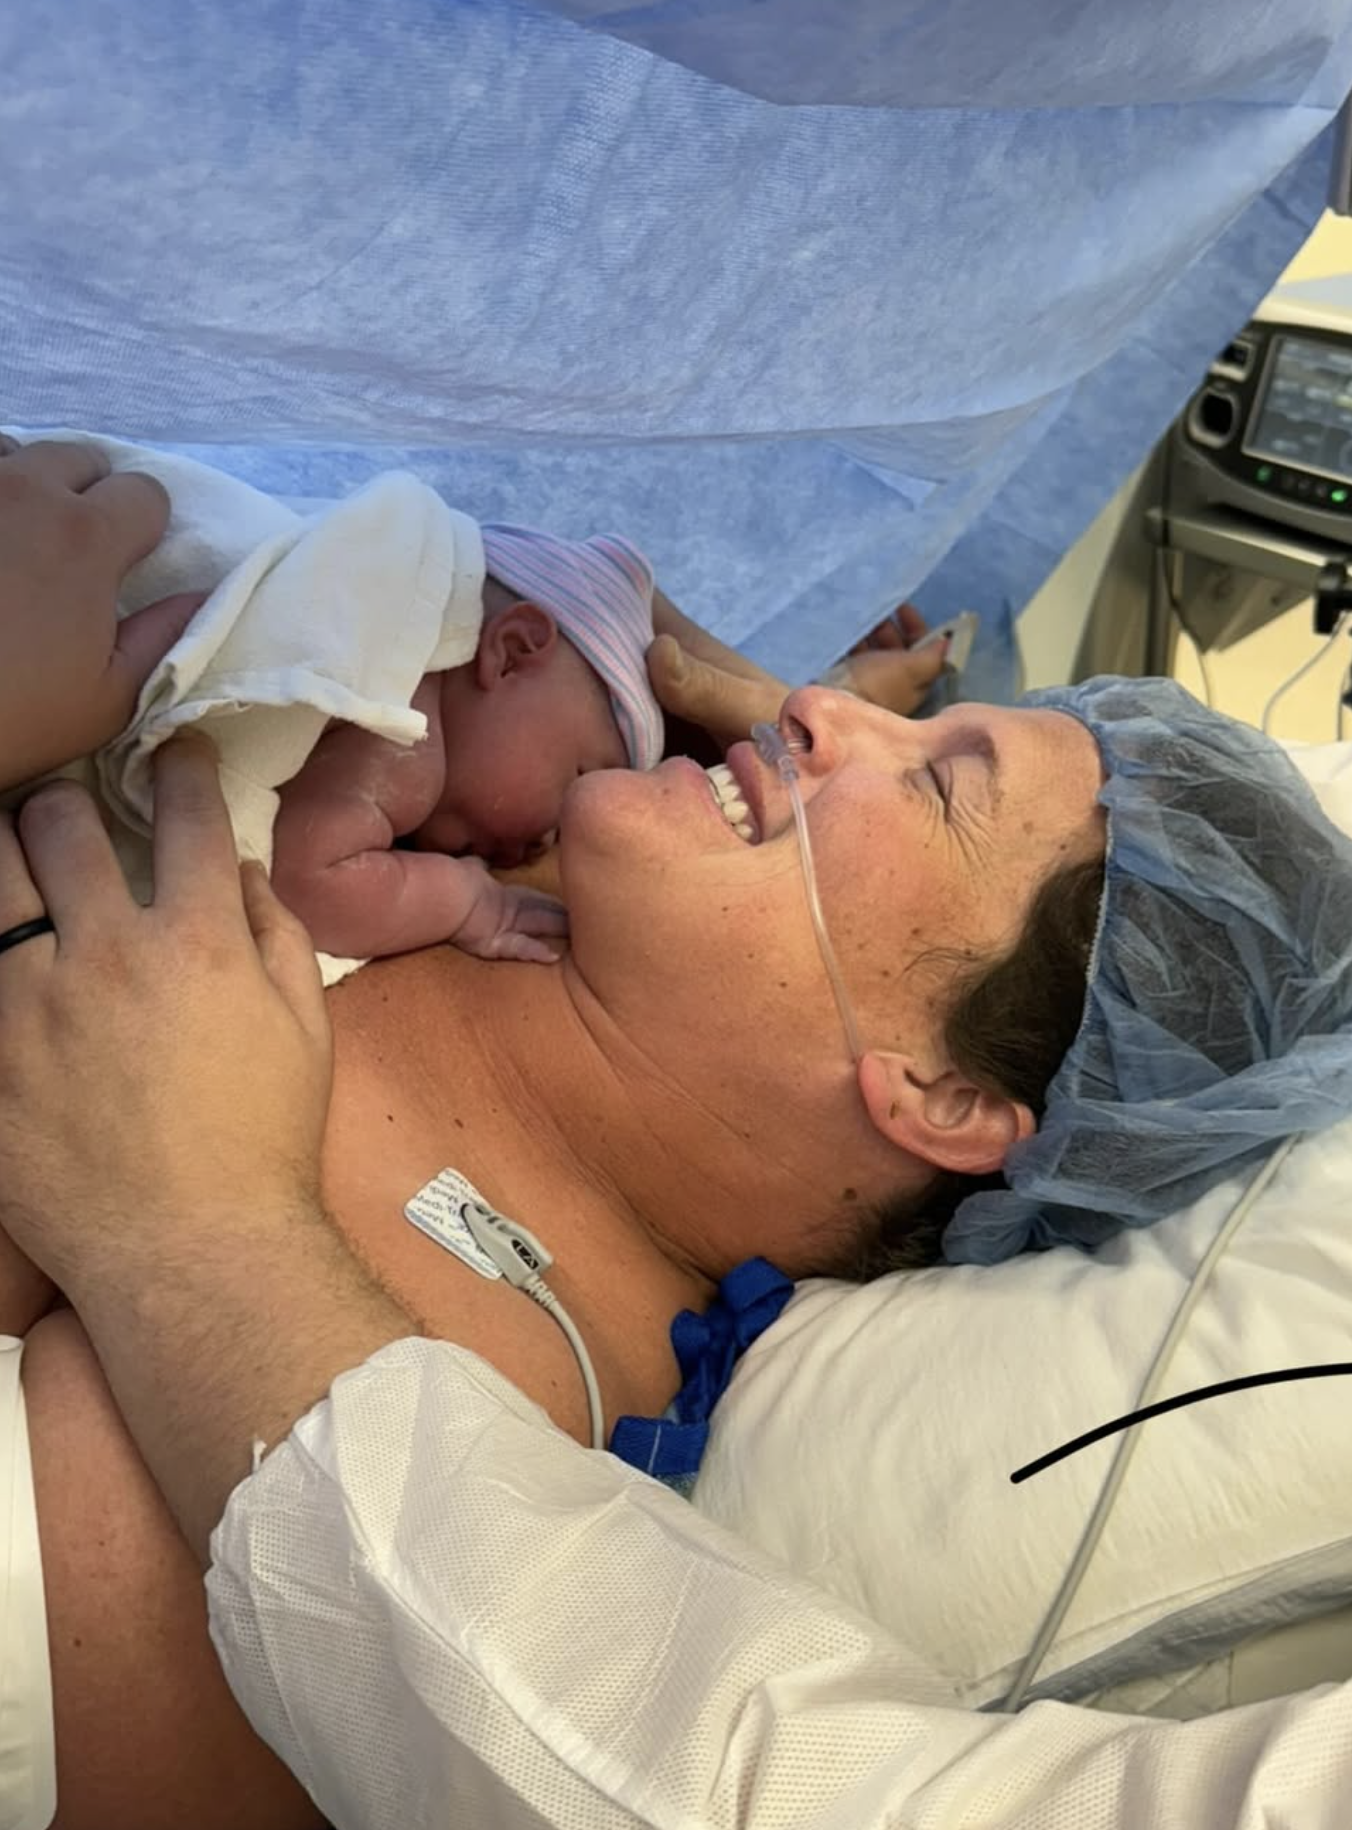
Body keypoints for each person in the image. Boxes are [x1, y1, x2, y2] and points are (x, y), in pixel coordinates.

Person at [4, 438, 1352, 1829]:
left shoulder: (455, 1403)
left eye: (941, 780)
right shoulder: (489, 832)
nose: (815, 703)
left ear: (943, 1097)